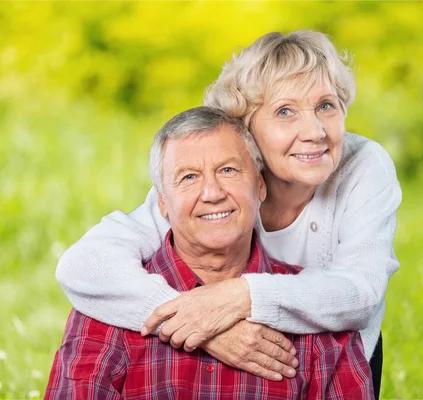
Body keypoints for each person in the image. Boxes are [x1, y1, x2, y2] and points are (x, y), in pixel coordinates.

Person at [55, 30, 401, 398]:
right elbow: (82, 265)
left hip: (329, 354)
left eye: (326, 106)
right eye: (285, 111)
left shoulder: (363, 165)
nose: (314, 131)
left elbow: (360, 294)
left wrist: (236, 298)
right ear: (245, 127)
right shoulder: (218, 181)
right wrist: (202, 324)